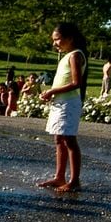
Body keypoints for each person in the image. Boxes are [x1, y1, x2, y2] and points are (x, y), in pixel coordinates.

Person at [38, 22, 88, 194]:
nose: (55, 43)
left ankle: (74, 180)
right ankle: (59, 176)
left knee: (69, 141)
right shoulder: (67, 56)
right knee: (59, 139)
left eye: (57, 39)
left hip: (69, 103)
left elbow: (76, 83)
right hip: (60, 103)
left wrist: (52, 90)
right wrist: (51, 94)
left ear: (70, 38)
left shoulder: (75, 55)